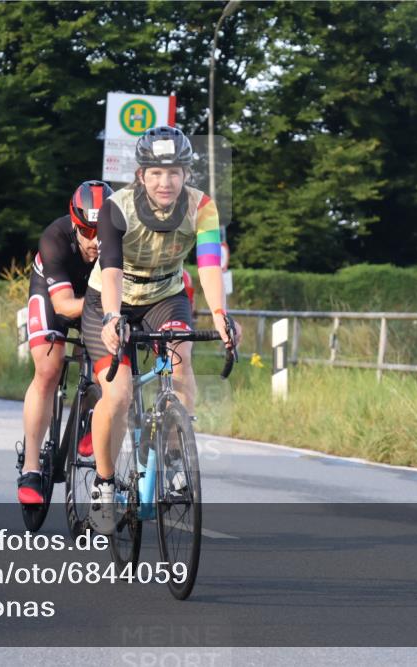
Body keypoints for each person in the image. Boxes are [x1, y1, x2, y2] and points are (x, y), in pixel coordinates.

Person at [80, 126, 242, 534]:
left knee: (181, 359)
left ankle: (173, 455)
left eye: (173, 172)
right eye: (155, 173)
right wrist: (114, 318)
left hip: (165, 295)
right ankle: (103, 485)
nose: (164, 181)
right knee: (117, 394)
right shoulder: (117, 207)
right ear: (141, 175)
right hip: (109, 299)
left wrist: (221, 314)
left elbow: (207, 264)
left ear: (186, 174)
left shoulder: (203, 208)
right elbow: (112, 268)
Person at [17, 180, 114, 505]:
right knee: (48, 369)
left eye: (101, 232)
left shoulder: (121, 240)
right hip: (54, 296)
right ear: (74, 224)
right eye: (86, 231)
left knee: (108, 366)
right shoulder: (55, 238)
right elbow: (63, 307)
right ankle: (31, 468)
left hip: (93, 300)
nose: (94, 241)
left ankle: (92, 422)